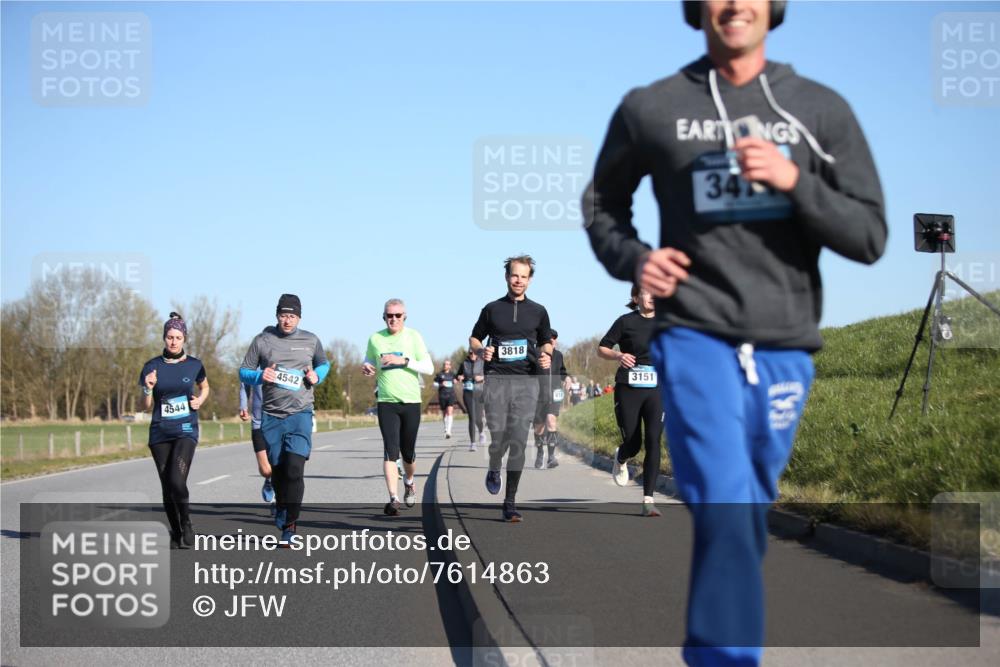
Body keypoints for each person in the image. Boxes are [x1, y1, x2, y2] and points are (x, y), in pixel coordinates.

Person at [583, 1, 886, 663]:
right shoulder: (652, 107)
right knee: (723, 500)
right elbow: (603, 204)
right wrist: (635, 259)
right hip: (694, 336)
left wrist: (793, 180)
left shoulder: (819, 110)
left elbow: (869, 236)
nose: (734, 4)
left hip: (785, 344)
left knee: (745, 510)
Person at [239, 294, 330, 544]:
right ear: (277, 315)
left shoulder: (311, 340)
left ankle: (290, 524)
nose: (287, 320)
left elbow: (324, 364)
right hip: (272, 416)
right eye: (283, 315)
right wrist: (260, 376)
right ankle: (281, 506)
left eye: (291, 316)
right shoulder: (262, 340)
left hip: (301, 413)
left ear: (299, 317)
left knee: (294, 468)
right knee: (278, 471)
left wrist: (317, 375)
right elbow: (244, 371)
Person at [470, 255, 553, 522]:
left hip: (527, 381)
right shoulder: (492, 309)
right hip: (496, 379)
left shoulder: (539, 311)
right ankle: (495, 466)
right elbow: (474, 338)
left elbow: (546, 341)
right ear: (507, 277)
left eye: (524, 276)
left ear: (530, 280)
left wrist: (546, 354)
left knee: (518, 440)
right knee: (499, 439)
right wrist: (481, 351)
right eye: (515, 275)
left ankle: (510, 502)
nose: (519, 280)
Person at [139, 312, 210, 549]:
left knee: (177, 480)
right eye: (170, 337)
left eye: (178, 337)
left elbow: (205, 387)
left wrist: (200, 400)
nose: (173, 342)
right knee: (167, 486)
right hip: (160, 433)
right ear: (164, 338)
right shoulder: (151, 366)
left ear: (184, 339)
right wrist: (148, 388)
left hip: (186, 430)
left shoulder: (194, 365)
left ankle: (186, 523)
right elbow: (144, 406)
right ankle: (176, 530)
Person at [362, 298, 433, 516]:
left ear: (405, 317)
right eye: (389, 315)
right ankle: (393, 499)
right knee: (390, 451)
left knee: (408, 454)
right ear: (384, 317)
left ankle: (409, 482)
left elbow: (429, 368)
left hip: (411, 402)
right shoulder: (375, 339)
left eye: (398, 315)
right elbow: (368, 360)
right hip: (386, 403)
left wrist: (405, 361)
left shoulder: (414, 336)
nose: (393, 319)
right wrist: (367, 367)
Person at [598, 286, 664, 517]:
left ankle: (648, 500)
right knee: (634, 443)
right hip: (629, 387)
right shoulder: (626, 322)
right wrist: (619, 355)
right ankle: (621, 457)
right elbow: (602, 348)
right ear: (636, 297)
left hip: (658, 388)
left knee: (654, 439)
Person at [532, 329, 569, 469]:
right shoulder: (534, 354)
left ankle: (551, 457)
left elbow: (563, 371)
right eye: (549, 338)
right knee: (539, 428)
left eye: (554, 338)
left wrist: (567, 379)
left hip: (554, 393)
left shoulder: (558, 355)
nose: (552, 340)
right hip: (537, 395)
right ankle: (540, 452)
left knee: (551, 420)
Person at [239, 377, 275, 514]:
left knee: (283, 465)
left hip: (282, 421)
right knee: (266, 470)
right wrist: (243, 406)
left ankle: (280, 501)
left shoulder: (287, 363)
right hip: (259, 422)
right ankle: (269, 480)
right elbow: (244, 383)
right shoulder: (254, 365)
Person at [455, 347, 487, 451]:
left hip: (479, 391)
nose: (472, 355)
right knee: (472, 417)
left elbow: (489, 375)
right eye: (470, 353)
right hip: (468, 392)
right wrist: (459, 377)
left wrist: (481, 378)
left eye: (474, 353)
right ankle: (473, 443)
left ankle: (481, 432)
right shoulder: (464, 363)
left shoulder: (482, 363)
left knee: (478, 418)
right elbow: (457, 375)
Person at [432, 359, 458, 439]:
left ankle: (449, 431)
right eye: (444, 364)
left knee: (450, 412)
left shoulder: (453, 374)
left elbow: (457, 380)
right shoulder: (439, 374)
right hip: (442, 395)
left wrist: (456, 381)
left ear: (450, 366)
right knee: (444, 413)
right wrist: (440, 384)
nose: (445, 365)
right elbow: (434, 384)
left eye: (447, 364)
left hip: (451, 395)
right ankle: (446, 428)